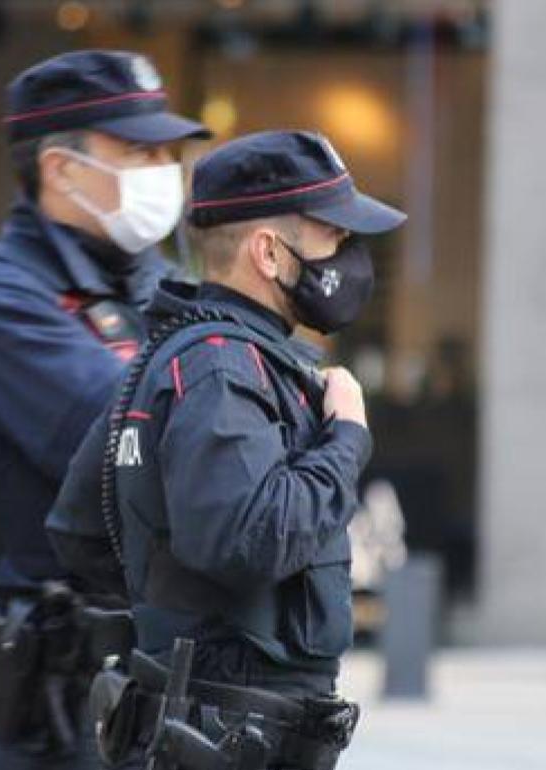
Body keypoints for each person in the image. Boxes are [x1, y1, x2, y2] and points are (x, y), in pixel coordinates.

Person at [48, 130, 406, 770]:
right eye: (332, 234)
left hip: (203, 721)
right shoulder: (222, 369)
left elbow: (80, 528)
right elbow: (250, 537)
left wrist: (176, 621)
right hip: (230, 731)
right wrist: (346, 438)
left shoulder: (180, 355)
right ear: (268, 252)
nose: (347, 255)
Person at [0, 49, 209, 770]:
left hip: (161, 688)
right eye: (138, 150)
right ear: (60, 168)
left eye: (164, 150)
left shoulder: (165, 286)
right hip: (50, 711)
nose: (162, 168)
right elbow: (149, 453)